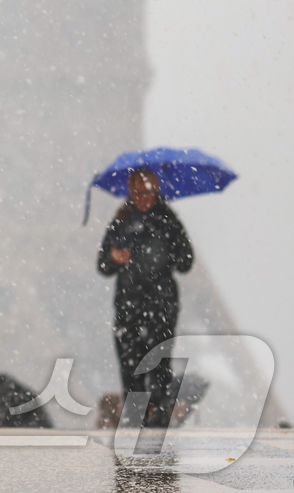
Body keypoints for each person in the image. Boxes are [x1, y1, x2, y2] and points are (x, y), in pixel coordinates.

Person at [97, 168, 194, 427]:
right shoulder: (122, 219)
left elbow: (186, 261)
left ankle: (159, 413)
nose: (143, 197)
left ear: (156, 191)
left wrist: (167, 253)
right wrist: (114, 258)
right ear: (131, 192)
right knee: (130, 359)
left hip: (160, 302)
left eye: (148, 191)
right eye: (138, 192)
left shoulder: (168, 220)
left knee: (158, 359)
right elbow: (103, 265)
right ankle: (136, 413)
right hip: (130, 301)